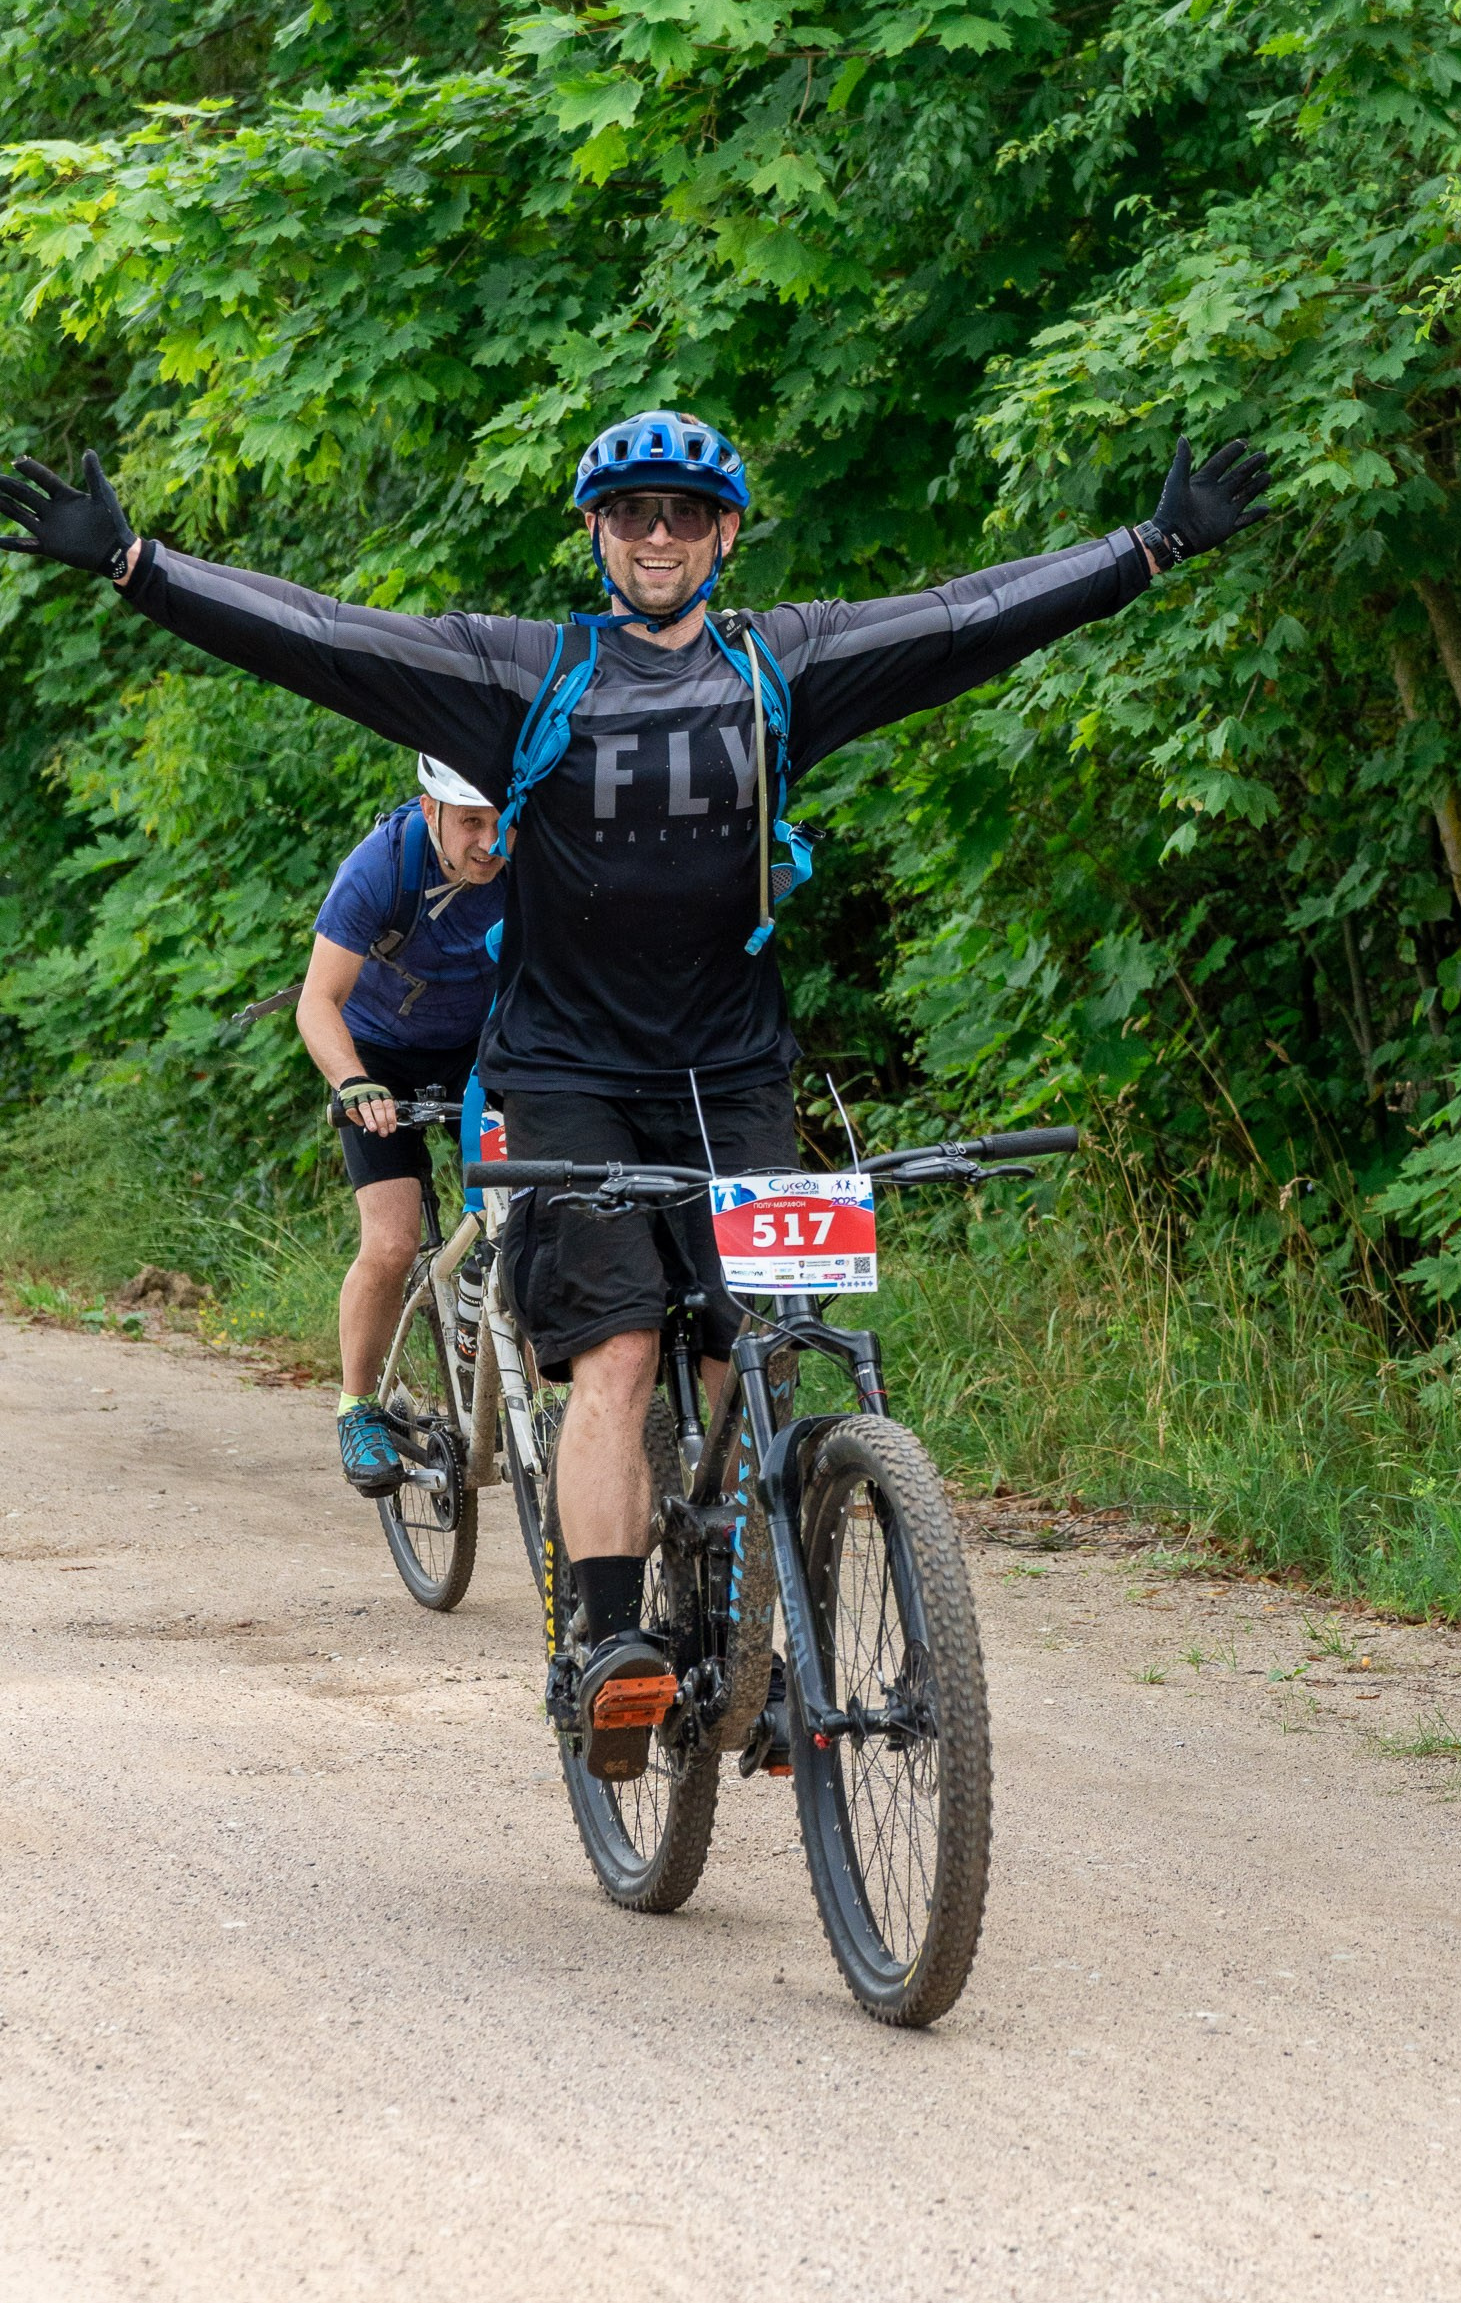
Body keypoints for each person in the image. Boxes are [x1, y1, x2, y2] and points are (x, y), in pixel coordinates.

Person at [0, 418, 1271, 1768]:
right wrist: (138, 565)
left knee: (752, 1354)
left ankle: (738, 1645)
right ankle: (611, 1648)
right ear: (597, 537)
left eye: (680, 513)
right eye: (628, 515)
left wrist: (1154, 544)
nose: (654, 534)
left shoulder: (782, 666)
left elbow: (970, 619)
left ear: (725, 534)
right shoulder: (521, 672)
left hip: (732, 1074)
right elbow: (324, 636)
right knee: (612, 1354)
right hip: (566, 1077)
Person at [298, 756, 508, 1497]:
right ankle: (359, 1407)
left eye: (500, 821)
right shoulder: (382, 868)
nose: (490, 842)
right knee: (390, 1242)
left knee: (530, 1216)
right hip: (378, 1057)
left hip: (487, 1047)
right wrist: (353, 1083)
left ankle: (490, 1303)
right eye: (470, 824)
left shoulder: (533, 858)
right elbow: (317, 1002)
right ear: (431, 812)